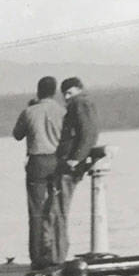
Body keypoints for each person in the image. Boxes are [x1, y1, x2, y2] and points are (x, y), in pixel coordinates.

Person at [12, 76, 65, 269]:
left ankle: (36, 257)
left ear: (38, 91)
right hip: (57, 161)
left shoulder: (29, 111)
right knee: (57, 208)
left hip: (37, 162)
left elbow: (17, 135)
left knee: (36, 211)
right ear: (55, 91)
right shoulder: (62, 111)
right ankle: (57, 252)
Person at [48, 77, 100, 262]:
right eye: (65, 95)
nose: (67, 98)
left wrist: (75, 159)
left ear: (79, 90)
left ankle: (57, 258)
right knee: (57, 210)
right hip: (70, 163)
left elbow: (88, 133)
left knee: (57, 211)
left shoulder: (80, 103)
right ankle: (57, 255)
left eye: (70, 93)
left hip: (70, 165)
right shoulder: (84, 103)